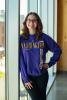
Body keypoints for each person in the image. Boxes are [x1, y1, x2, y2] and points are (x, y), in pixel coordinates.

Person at [19, 12, 62, 100]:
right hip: (28, 76)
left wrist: (49, 64)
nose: (31, 22)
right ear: (26, 22)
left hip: (42, 75)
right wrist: (25, 78)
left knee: (42, 98)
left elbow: (58, 50)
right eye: (29, 20)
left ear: (38, 23)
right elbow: (20, 59)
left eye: (34, 20)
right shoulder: (21, 39)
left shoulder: (44, 37)